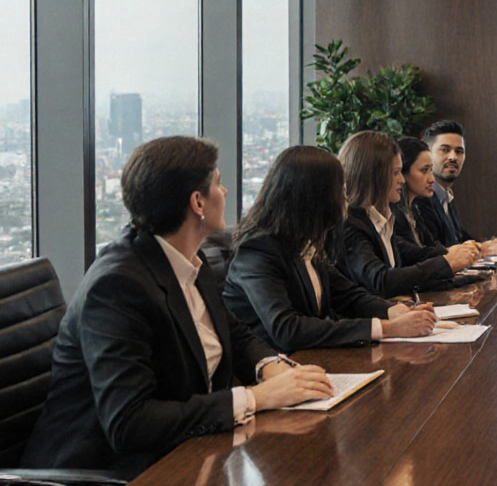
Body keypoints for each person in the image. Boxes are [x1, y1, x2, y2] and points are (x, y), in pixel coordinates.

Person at [21, 137, 334, 479]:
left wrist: (271, 368)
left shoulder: (186, 259)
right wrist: (255, 398)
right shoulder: (117, 287)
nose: (224, 192)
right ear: (197, 202)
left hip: (189, 450)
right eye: (217, 183)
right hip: (111, 471)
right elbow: (130, 422)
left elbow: (233, 332)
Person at [223, 145, 437, 352]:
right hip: (276, 367)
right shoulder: (258, 250)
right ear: (314, 196)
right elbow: (287, 329)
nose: (345, 198)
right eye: (340, 190)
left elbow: (347, 295)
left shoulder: (306, 241)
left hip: (313, 360)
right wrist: (388, 328)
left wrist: (394, 311)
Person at [335, 131, 479, 298]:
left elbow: (412, 261)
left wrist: (470, 277)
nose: (402, 180)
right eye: (396, 172)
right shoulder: (351, 224)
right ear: (374, 175)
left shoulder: (380, 220)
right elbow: (381, 281)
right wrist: (447, 262)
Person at [418, 120, 497, 256]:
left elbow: (461, 241)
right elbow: (433, 254)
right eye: (444, 150)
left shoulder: (445, 195)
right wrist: (481, 250)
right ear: (426, 154)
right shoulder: (420, 199)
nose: (453, 157)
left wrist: (490, 245)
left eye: (459, 151)